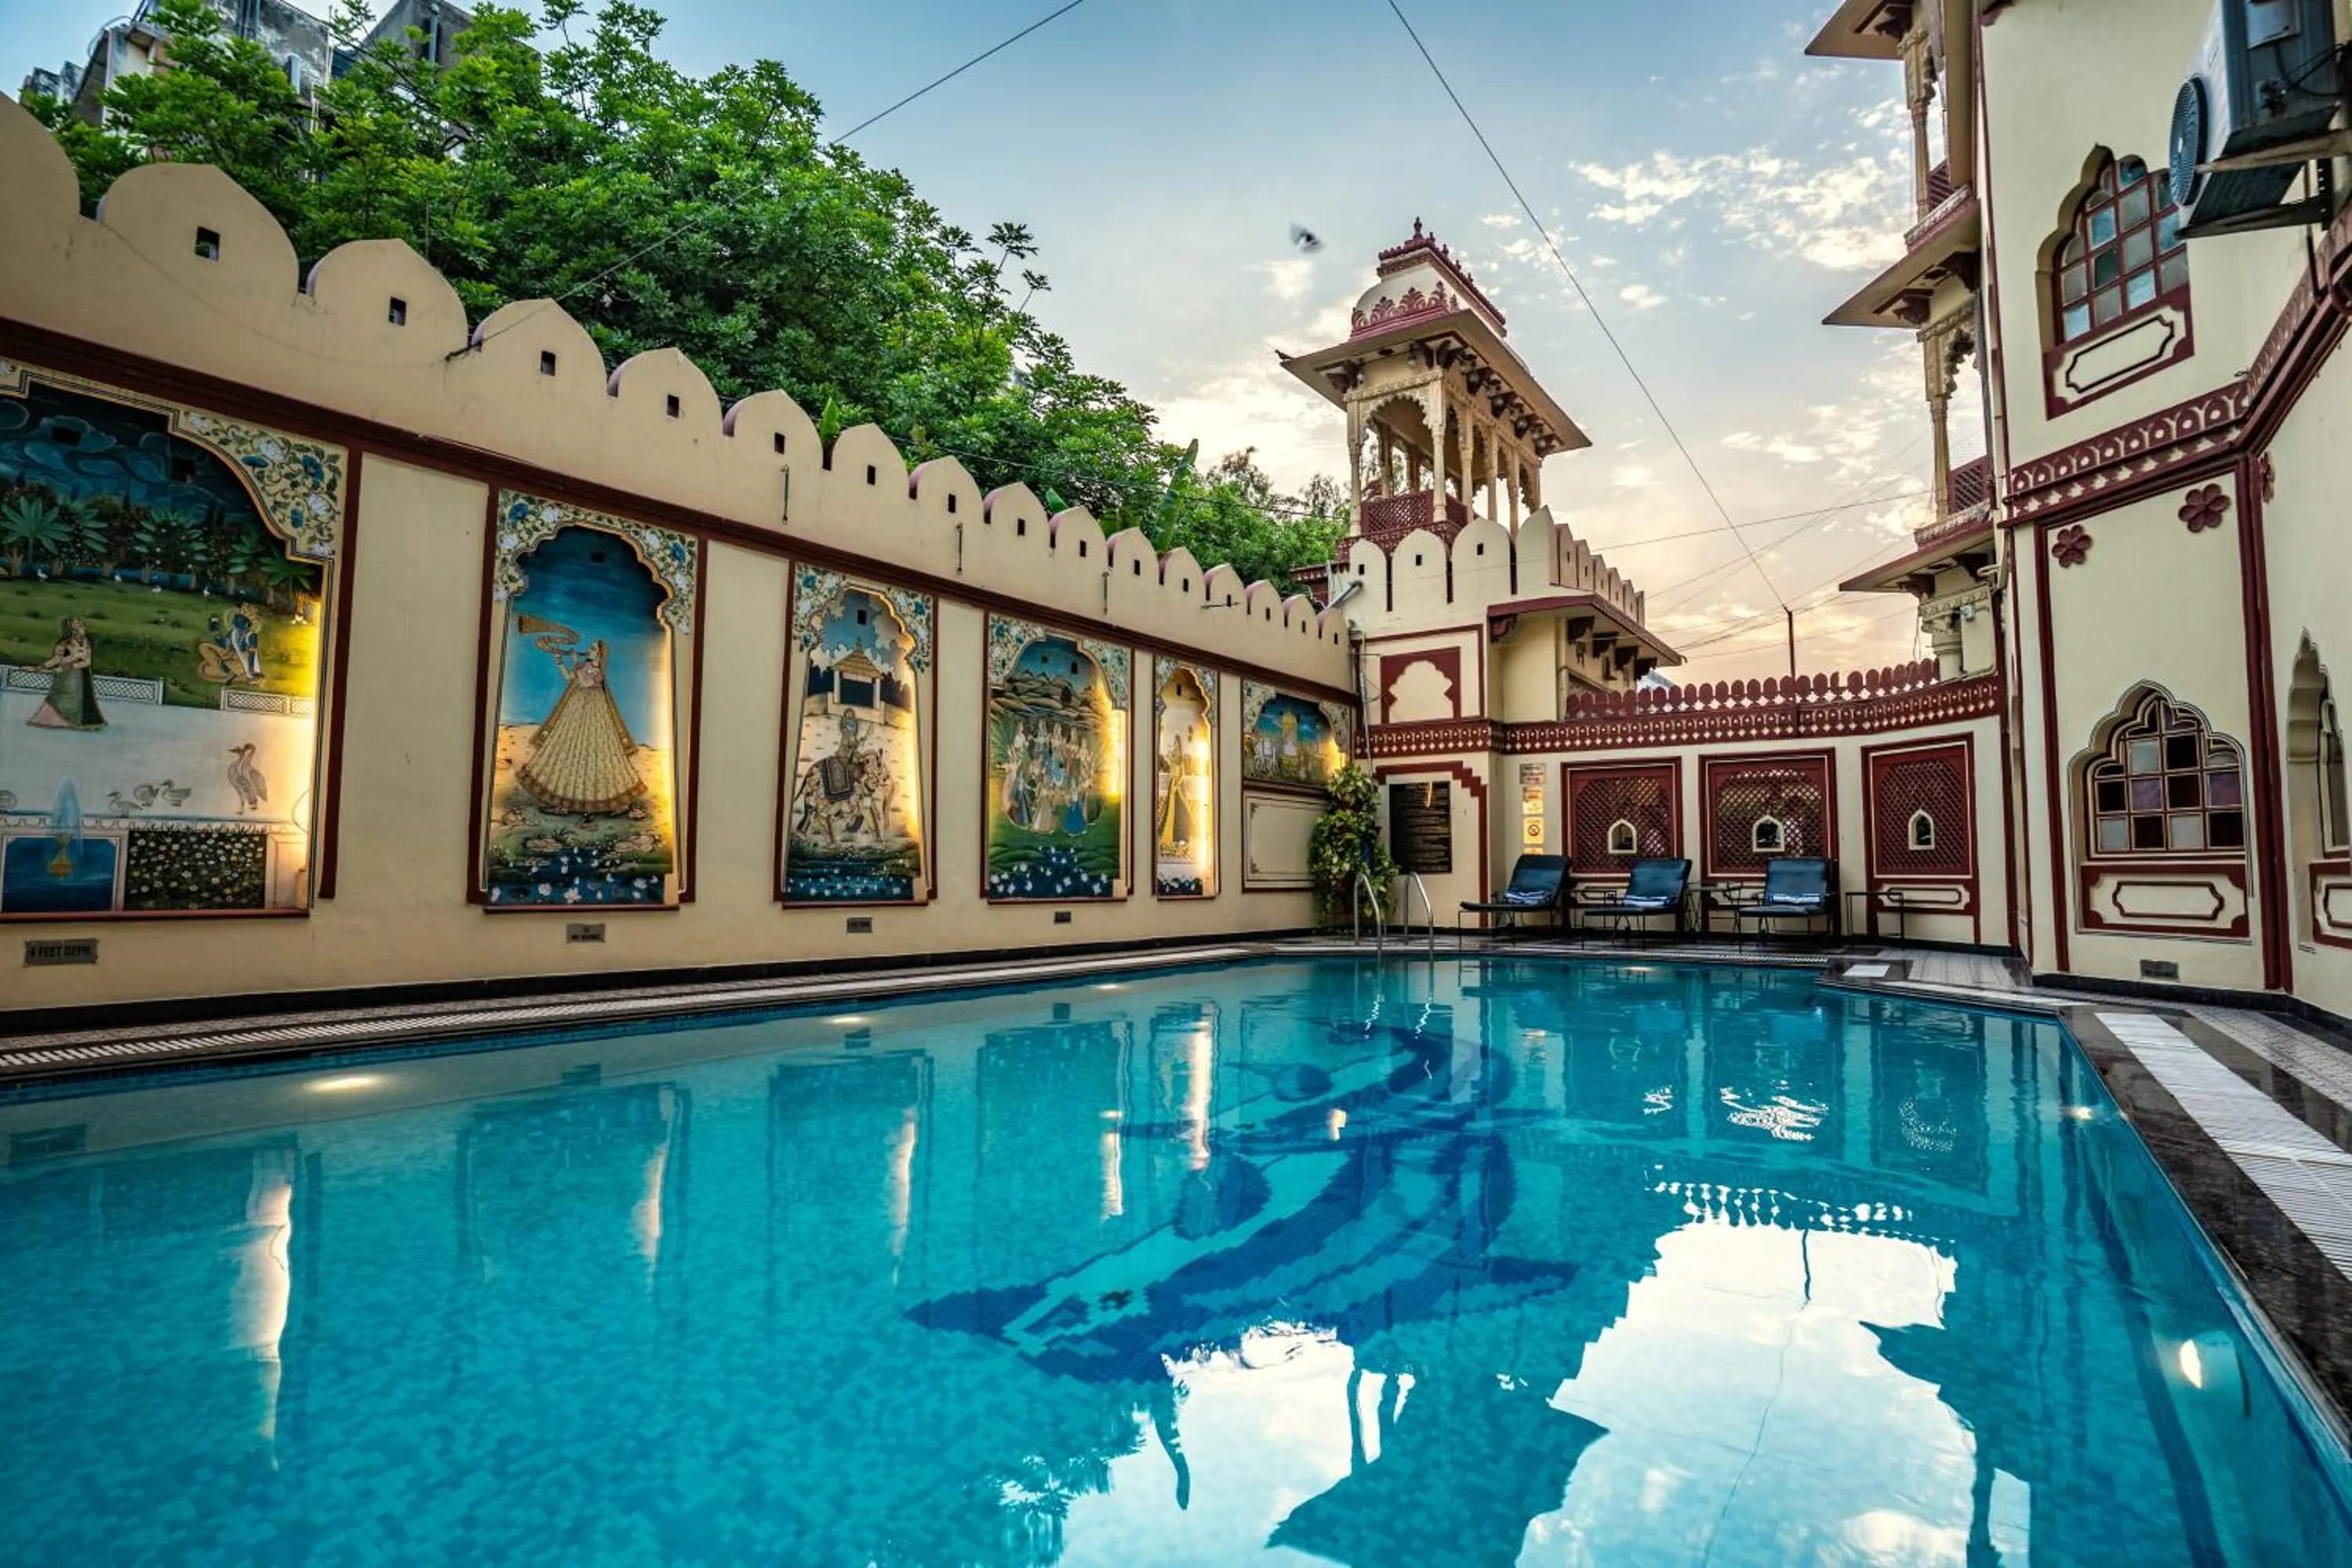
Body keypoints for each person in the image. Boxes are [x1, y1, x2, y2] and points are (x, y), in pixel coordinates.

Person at [517, 638, 646, 813]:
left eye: (592, 648)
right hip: (576, 713)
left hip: (594, 717)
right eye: (591, 647)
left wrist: (576, 661)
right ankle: (562, 803)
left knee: (599, 753)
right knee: (567, 749)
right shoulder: (584, 667)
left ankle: (618, 803)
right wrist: (560, 660)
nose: (589, 649)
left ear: (599, 655)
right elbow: (569, 677)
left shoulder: (598, 672)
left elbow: (585, 682)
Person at [28, 617, 105, 731]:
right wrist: (41, 667)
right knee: (60, 698)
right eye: (76, 626)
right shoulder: (64, 643)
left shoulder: (86, 641)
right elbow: (56, 659)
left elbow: (87, 661)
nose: (80, 628)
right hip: (66, 675)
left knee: (82, 699)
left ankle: (83, 723)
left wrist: (73, 663)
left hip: (81, 675)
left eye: (80, 625)